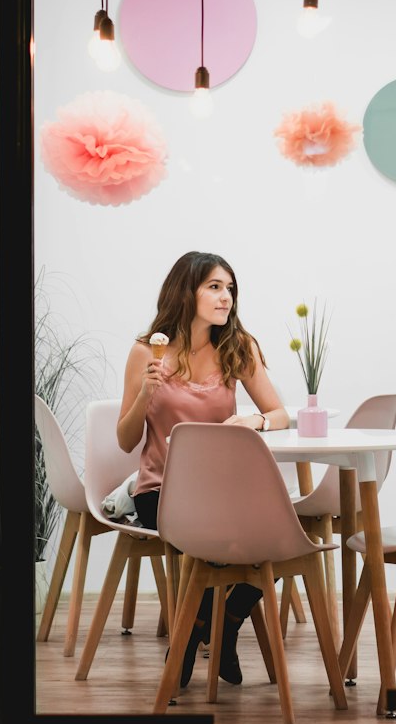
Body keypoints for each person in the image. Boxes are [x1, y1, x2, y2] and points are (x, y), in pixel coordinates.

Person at [117, 250, 290, 688]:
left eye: (230, 288)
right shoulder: (146, 352)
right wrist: (145, 394)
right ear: (186, 291)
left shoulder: (238, 348)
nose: (225, 297)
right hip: (162, 491)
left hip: (226, 491)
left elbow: (280, 414)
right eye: (214, 287)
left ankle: (215, 627)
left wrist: (256, 419)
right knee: (221, 546)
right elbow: (124, 439)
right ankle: (216, 630)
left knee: (282, 540)